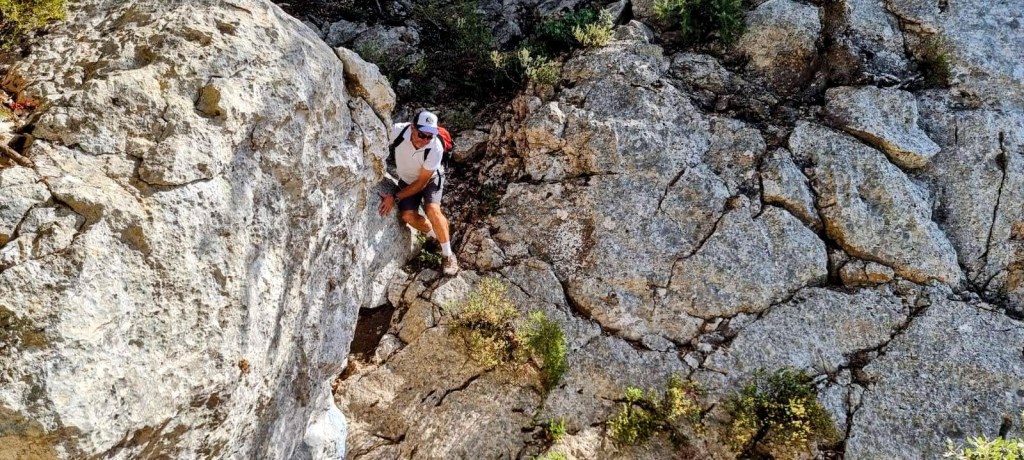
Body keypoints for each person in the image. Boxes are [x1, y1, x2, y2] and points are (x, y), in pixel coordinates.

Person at [378, 110, 459, 275]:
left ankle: (448, 255)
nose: (426, 140)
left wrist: (394, 197)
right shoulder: (398, 131)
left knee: (432, 209)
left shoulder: (435, 146)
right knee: (408, 216)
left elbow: (422, 182)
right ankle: (437, 237)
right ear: (413, 127)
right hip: (406, 180)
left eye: (430, 136)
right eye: (422, 135)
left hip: (430, 179)